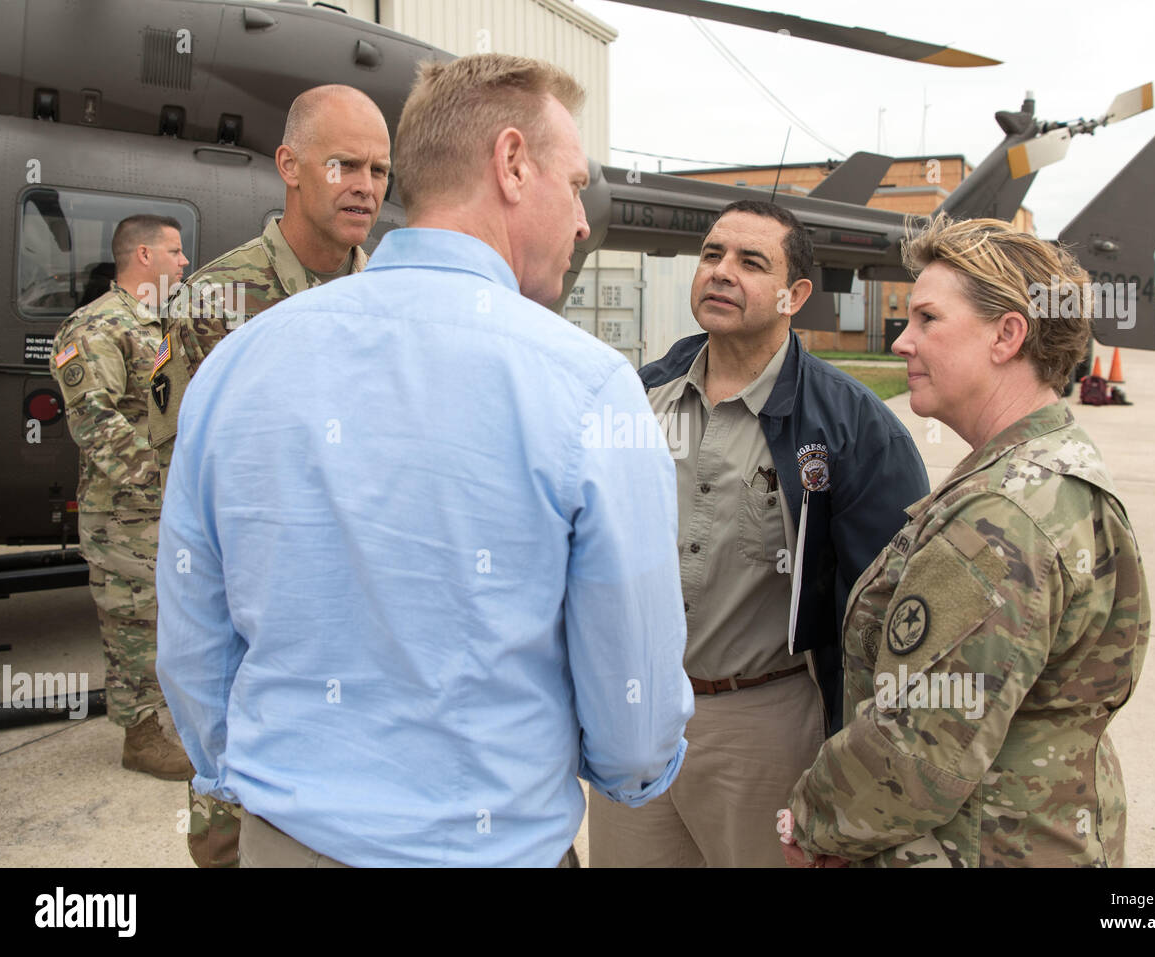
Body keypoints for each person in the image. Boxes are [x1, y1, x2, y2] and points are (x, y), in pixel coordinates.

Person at [155, 53, 693, 867]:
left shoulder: (242, 361)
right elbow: (634, 718)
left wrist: (266, 775)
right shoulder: (587, 389)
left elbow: (193, 647)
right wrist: (627, 776)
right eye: (576, 184)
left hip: (283, 839)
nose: (584, 221)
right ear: (512, 163)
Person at [781, 215, 1151, 867]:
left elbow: (919, 750)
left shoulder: (1001, 516)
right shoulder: (1049, 463)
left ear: (1008, 334)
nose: (902, 342)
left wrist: (813, 821)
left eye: (927, 319)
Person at [588, 200, 930, 867]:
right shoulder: (635, 399)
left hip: (765, 728)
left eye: (751, 262)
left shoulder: (853, 427)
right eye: (712, 254)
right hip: (638, 715)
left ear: (794, 293)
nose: (722, 272)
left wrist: (857, 775)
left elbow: (885, 618)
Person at [146, 83, 390, 868]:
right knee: (231, 833)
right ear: (289, 165)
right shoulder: (215, 300)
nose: (365, 187)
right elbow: (176, 466)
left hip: (365, 613)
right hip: (256, 606)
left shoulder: (392, 299)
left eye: (380, 171)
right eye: (344, 164)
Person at [48, 214, 191, 779]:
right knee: (133, 622)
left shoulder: (158, 324)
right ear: (144, 257)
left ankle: (163, 718)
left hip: (163, 510)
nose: (184, 262)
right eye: (176, 252)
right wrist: (166, 478)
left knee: (166, 619)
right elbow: (93, 421)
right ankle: (141, 736)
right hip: (124, 515)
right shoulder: (94, 328)